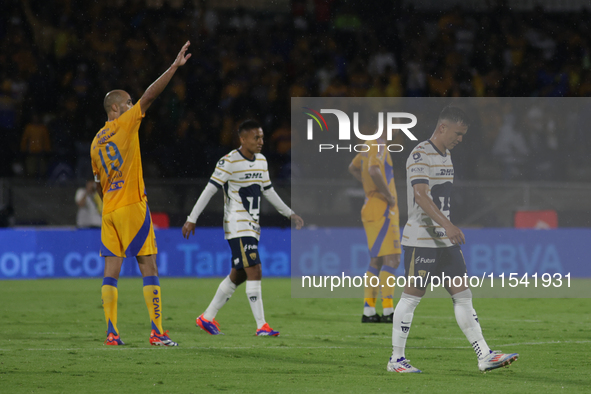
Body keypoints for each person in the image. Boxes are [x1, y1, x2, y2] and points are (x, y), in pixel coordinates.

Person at [387, 106, 519, 373]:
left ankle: (484, 355)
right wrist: (448, 225)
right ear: (442, 127)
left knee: (463, 296)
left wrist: (447, 227)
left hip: (444, 241)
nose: (460, 139)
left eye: (464, 134)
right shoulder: (420, 154)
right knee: (412, 297)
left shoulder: (446, 155)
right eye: (458, 133)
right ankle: (396, 360)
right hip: (422, 239)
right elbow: (422, 196)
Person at [90, 41, 191, 347]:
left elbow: (97, 183)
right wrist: (173, 67)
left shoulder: (95, 142)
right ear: (116, 108)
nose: (133, 104)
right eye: (128, 102)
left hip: (109, 209)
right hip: (133, 205)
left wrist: (110, 194)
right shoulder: (125, 122)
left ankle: (111, 332)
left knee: (111, 272)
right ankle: (158, 332)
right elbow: (150, 96)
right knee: (149, 266)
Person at [182, 120, 304, 336]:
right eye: (256, 137)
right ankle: (261, 326)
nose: (261, 142)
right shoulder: (228, 162)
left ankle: (206, 317)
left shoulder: (262, 161)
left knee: (238, 275)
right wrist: (192, 218)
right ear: (243, 139)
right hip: (237, 224)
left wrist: (289, 213)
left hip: (253, 226)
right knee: (255, 269)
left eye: (262, 137)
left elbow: (268, 191)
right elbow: (209, 190)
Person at [348, 135, 401, 323]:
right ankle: (388, 311)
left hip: (370, 204)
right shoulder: (379, 145)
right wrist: (388, 195)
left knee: (377, 260)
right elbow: (373, 169)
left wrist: (368, 187)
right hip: (383, 208)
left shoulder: (366, 146)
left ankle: (369, 310)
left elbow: (353, 167)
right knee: (392, 258)